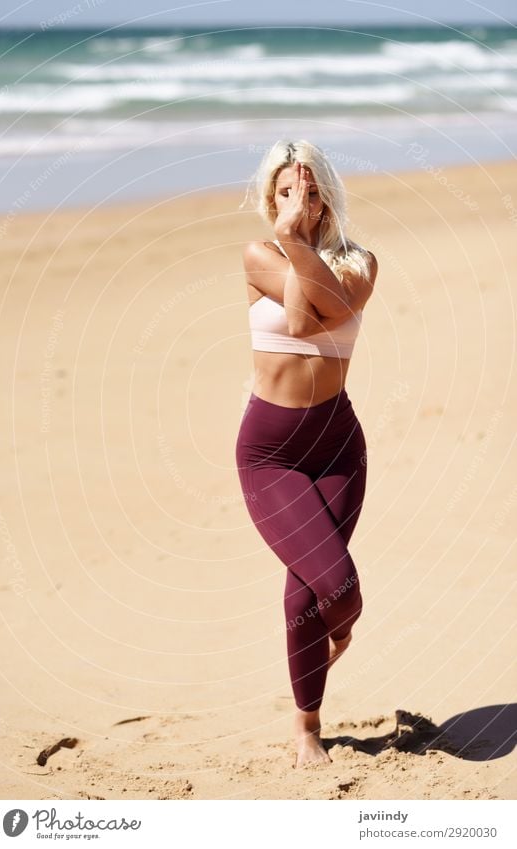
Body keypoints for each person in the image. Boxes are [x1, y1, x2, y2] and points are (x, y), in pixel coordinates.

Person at [235, 139, 378, 768]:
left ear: (329, 193)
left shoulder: (361, 262)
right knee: (337, 589)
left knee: (313, 592)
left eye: (313, 189)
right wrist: (292, 240)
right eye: (290, 190)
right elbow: (298, 325)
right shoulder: (257, 254)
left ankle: (305, 724)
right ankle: (310, 723)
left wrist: (302, 245)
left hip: (338, 444)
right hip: (270, 452)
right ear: (271, 197)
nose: (303, 201)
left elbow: (333, 309)